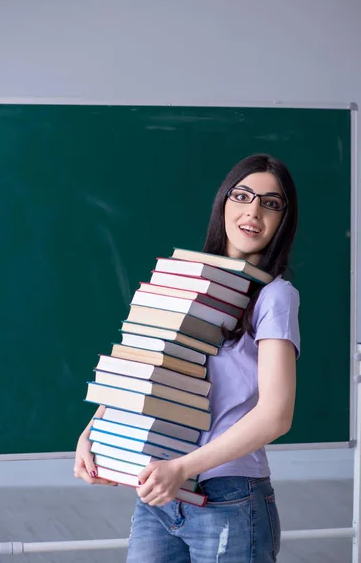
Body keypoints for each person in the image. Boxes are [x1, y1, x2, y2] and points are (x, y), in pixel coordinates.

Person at [74, 153, 300, 563]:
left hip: (230, 498)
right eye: (243, 195)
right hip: (161, 493)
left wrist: (182, 468)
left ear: (283, 218)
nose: (253, 212)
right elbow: (150, 364)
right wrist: (94, 431)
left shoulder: (275, 297)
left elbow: (276, 416)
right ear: (224, 201)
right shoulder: (192, 276)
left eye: (270, 203)